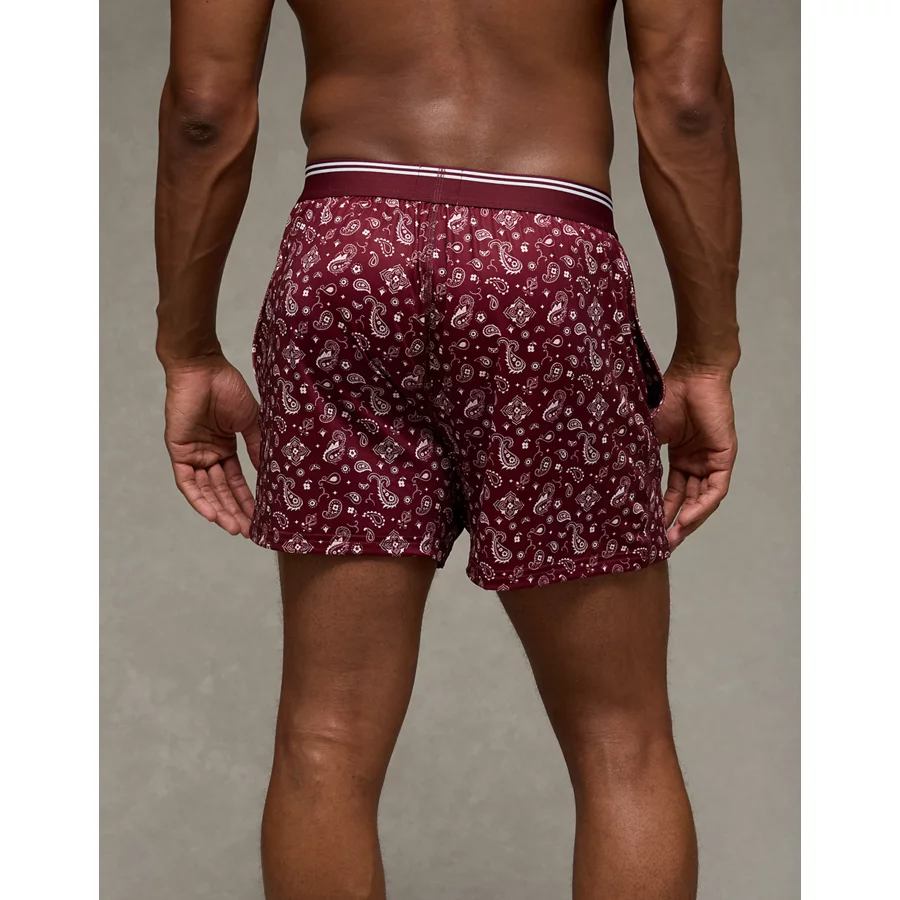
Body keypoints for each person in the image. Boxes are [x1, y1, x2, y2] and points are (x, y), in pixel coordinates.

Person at [154, 0, 740, 896]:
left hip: (345, 256)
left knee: (325, 739)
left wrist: (188, 346)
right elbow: (687, 103)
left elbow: (204, 108)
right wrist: (707, 352)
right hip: (546, 259)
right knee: (619, 740)